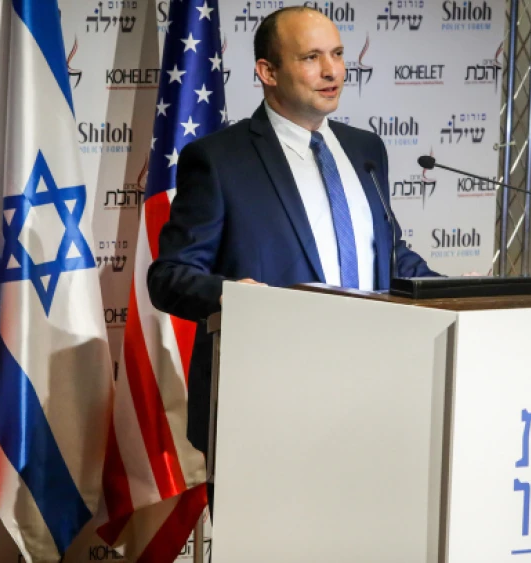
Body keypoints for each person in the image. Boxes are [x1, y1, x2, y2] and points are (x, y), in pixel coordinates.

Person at [146, 5, 437, 512]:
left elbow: (388, 254)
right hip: (267, 409)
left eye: (339, 54)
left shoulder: (367, 149)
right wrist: (237, 298)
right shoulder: (219, 160)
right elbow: (169, 276)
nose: (332, 71)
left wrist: (451, 291)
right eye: (311, 57)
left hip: (378, 397)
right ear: (267, 72)